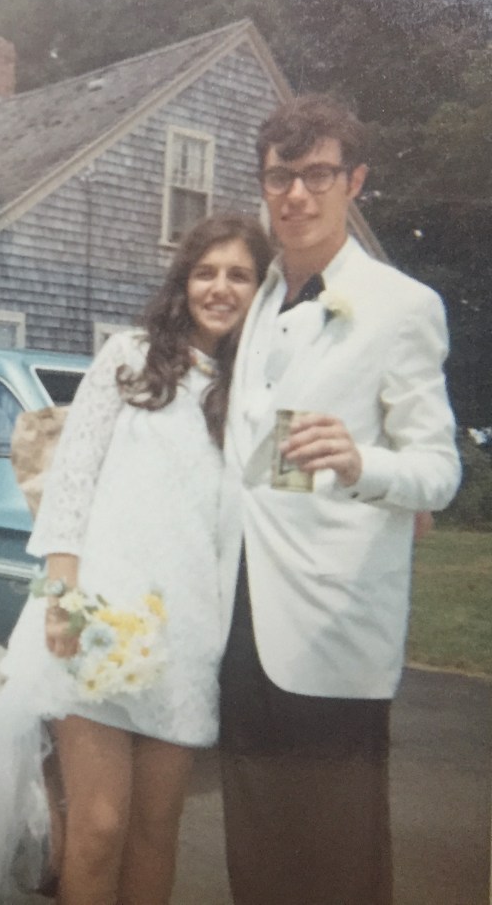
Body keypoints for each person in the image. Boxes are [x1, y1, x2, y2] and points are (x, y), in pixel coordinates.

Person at [0, 213, 271, 905]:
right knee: (101, 824)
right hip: (98, 621)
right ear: (183, 281)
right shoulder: (130, 357)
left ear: (261, 290)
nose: (220, 288)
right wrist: (63, 597)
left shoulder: (256, 391)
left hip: (188, 631)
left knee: (155, 830)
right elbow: (71, 480)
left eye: (240, 275)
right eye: (207, 272)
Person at [217, 94, 462, 905]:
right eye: (280, 176)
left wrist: (363, 463)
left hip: (332, 623)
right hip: (243, 615)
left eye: (317, 174)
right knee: (255, 837)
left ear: (354, 181)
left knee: (335, 855)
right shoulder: (253, 301)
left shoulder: (401, 306)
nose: (296, 194)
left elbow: (439, 469)